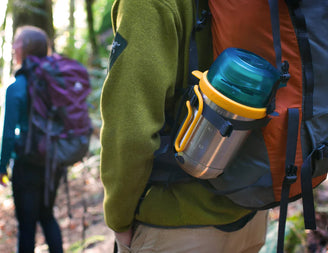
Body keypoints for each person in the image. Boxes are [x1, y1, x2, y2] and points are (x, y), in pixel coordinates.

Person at [99, 1, 276, 252]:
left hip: (177, 222)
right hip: (250, 211)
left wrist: (118, 219)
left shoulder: (146, 5)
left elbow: (130, 133)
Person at [0, 26, 64, 253]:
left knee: (26, 225)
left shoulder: (17, 87)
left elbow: (8, 133)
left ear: (24, 49)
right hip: (54, 160)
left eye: (17, 43)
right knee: (47, 216)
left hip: (27, 163)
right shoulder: (56, 81)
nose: (14, 47)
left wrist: (2, 166)